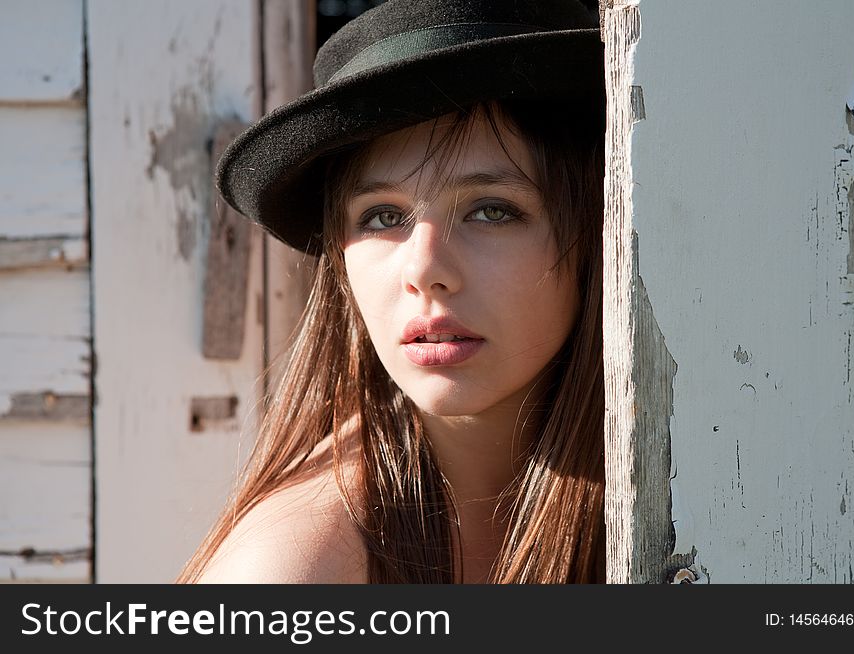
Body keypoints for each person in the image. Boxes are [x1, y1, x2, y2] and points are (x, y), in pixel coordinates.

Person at [178, 0, 606, 584]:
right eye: (382, 218)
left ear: (596, 231)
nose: (425, 268)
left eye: (489, 210)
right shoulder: (294, 569)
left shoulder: (701, 483)